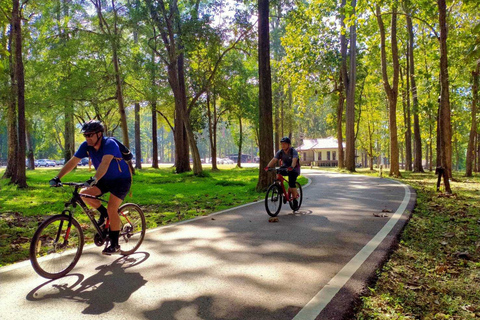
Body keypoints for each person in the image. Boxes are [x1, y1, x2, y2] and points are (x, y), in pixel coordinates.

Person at [49, 120, 132, 255]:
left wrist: (94, 179)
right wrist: (57, 177)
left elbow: (104, 164)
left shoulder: (109, 144)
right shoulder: (86, 146)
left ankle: (115, 244)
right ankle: (104, 214)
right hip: (104, 179)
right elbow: (73, 162)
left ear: (99, 134)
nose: (87, 138)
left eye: (90, 135)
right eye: (85, 135)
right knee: (83, 194)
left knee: (112, 208)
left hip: (121, 180)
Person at [265, 137, 301, 209]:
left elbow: (294, 160)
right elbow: (274, 159)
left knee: (291, 183)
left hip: (294, 169)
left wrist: (292, 167)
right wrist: (268, 166)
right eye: (282, 144)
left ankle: (295, 200)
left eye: (285, 144)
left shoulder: (293, 151)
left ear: (289, 145)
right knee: (278, 174)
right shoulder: (280, 152)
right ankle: (280, 191)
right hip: (284, 167)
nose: (283, 145)